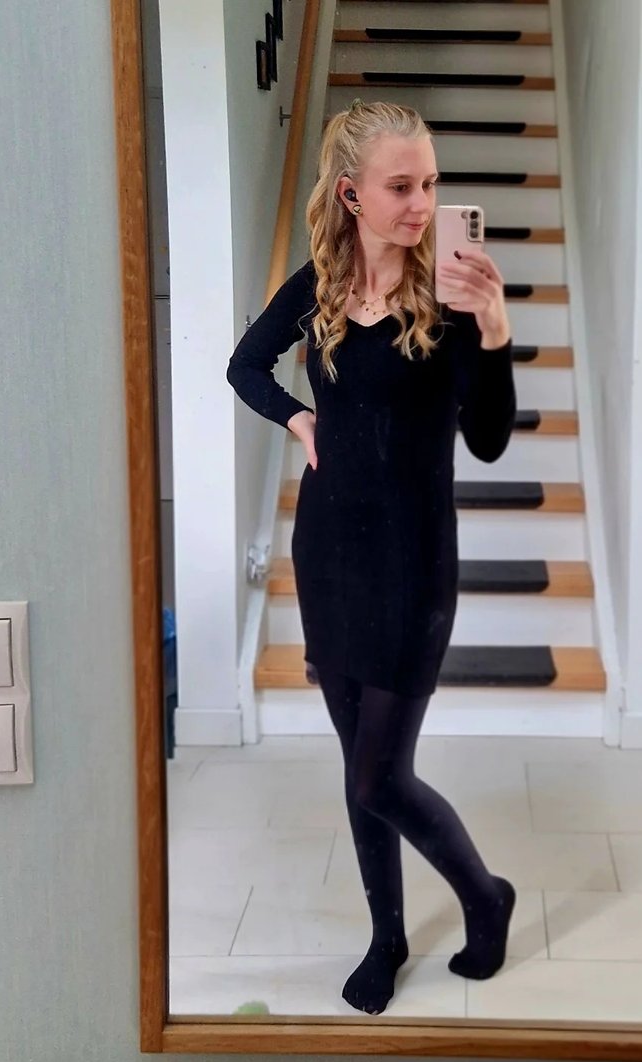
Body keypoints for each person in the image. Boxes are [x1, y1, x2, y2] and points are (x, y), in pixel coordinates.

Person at [226, 100, 517, 1016]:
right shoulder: (320, 283)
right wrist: (299, 418)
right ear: (351, 194)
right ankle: (387, 937)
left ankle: (485, 896)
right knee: (360, 761)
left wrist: (495, 331)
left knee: (379, 776)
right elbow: (244, 366)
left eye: (429, 183)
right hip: (329, 555)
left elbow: (491, 439)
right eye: (402, 186)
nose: (422, 203)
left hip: (414, 566)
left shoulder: (452, 296)